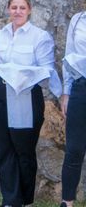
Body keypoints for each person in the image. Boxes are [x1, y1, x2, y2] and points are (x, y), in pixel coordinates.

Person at [0, 0, 61, 207]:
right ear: (9, 9)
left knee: (24, 151)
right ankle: (10, 200)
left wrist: (24, 75)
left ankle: (25, 201)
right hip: (0, 95)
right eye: (14, 7)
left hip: (26, 96)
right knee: (4, 149)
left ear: (29, 11)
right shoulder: (1, 35)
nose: (17, 11)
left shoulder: (40, 37)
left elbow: (46, 70)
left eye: (22, 8)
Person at [58, 11, 86, 207]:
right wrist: (66, 92)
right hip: (81, 87)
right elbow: (69, 55)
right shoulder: (77, 19)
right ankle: (67, 203)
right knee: (74, 149)